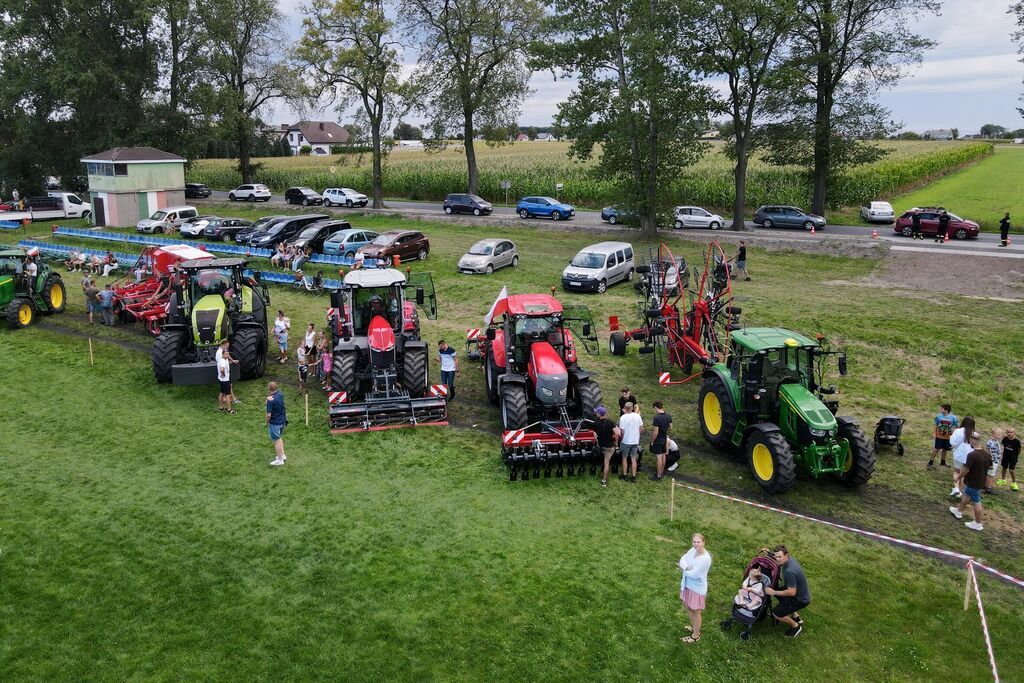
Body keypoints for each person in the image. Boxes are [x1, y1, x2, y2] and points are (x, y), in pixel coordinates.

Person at [766, 545, 811, 637]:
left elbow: (791, 592)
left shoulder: (789, 571)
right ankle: (795, 616)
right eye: (776, 557)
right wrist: (768, 553)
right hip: (798, 592)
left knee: (776, 614)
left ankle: (796, 626)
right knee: (778, 592)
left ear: (786, 555)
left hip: (800, 599)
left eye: (780, 557)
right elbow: (777, 555)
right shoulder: (789, 559)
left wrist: (773, 592)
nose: (777, 559)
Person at [949, 433, 991, 531]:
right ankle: (958, 511)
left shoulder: (972, 455)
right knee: (966, 494)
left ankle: (977, 523)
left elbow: (966, 470)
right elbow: (990, 466)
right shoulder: (987, 454)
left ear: (972, 441)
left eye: (969, 441)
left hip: (973, 481)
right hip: (981, 480)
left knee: (976, 501)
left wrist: (958, 478)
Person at [678, 533, 712, 644]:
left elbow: (695, 574)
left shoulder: (705, 559)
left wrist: (684, 570)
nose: (696, 544)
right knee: (687, 605)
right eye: (694, 542)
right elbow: (682, 560)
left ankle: (695, 636)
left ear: (703, 543)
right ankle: (694, 627)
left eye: (698, 542)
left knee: (695, 611)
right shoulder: (692, 550)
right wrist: (686, 567)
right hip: (688, 584)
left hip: (697, 588)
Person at [949, 415, 976, 498]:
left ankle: (956, 488)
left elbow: (952, 442)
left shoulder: (958, 431)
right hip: (970, 457)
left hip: (959, 455)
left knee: (957, 471)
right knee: (964, 474)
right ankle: (961, 491)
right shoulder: (975, 434)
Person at [593, 406, 620, 487]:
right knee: (607, 463)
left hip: (601, 446)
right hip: (610, 447)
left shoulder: (596, 423)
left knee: (604, 461)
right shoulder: (611, 422)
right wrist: (616, 443)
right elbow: (617, 433)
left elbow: (595, 435)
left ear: (599, 414)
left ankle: (603, 474)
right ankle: (604, 481)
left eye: (597, 412)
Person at [618, 402, 642, 482]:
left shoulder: (623, 418)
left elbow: (622, 431)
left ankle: (624, 475)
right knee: (633, 458)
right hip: (635, 441)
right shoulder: (637, 416)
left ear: (625, 408)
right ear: (632, 408)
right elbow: (641, 428)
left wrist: (621, 439)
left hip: (626, 441)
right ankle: (634, 476)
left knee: (624, 458)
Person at [929, 403, 958, 468]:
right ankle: (930, 462)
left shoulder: (953, 418)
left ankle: (943, 461)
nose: (940, 410)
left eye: (942, 409)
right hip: (939, 436)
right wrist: (934, 433)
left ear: (946, 410)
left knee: (945, 449)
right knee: (936, 448)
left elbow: (957, 426)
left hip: (948, 437)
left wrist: (955, 435)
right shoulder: (939, 416)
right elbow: (935, 425)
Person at [266, 382, 288, 466]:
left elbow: (268, 415)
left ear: (269, 389)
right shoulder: (280, 394)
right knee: (279, 438)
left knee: (276, 440)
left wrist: (267, 422)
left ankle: (280, 460)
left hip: (274, 422)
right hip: (282, 420)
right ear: (276, 388)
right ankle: (282, 455)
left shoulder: (270, 400)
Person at [649, 400, 672, 481]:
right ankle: (661, 472)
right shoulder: (668, 416)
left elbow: (655, 432)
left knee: (658, 457)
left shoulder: (657, 418)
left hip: (658, 440)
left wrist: (652, 441)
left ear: (656, 407)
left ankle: (658, 476)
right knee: (663, 456)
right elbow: (671, 427)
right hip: (664, 439)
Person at [217, 340, 239, 414]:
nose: (227, 355)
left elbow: (227, 355)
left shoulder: (223, 351)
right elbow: (222, 368)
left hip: (221, 379)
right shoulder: (221, 357)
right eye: (227, 345)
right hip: (225, 379)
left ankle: (220, 407)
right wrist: (223, 374)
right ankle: (229, 410)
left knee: (221, 392)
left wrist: (232, 361)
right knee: (228, 395)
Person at [985, 428, 1003, 494]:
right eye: (999, 434)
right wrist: (990, 462)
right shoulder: (991, 442)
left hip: (995, 460)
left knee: (989, 473)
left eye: (1001, 434)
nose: (1000, 435)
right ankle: (988, 488)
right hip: (992, 461)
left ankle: (986, 485)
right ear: (993, 434)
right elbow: (989, 452)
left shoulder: (996, 441)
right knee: (990, 474)